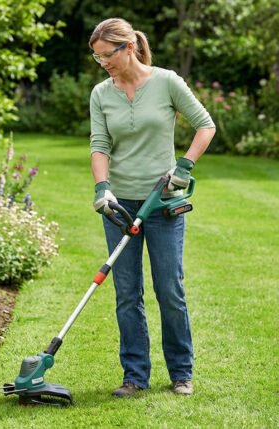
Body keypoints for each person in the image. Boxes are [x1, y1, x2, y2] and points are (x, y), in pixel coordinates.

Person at [88, 18, 216, 397]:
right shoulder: (101, 93)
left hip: (163, 203)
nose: (103, 63)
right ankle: (134, 376)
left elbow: (205, 125)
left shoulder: (166, 82)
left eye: (107, 55)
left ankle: (181, 372)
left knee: (169, 289)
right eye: (97, 58)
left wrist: (184, 167)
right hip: (120, 207)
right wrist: (102, 188)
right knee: (127, 294)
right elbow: (100, 145)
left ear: (128, 47)